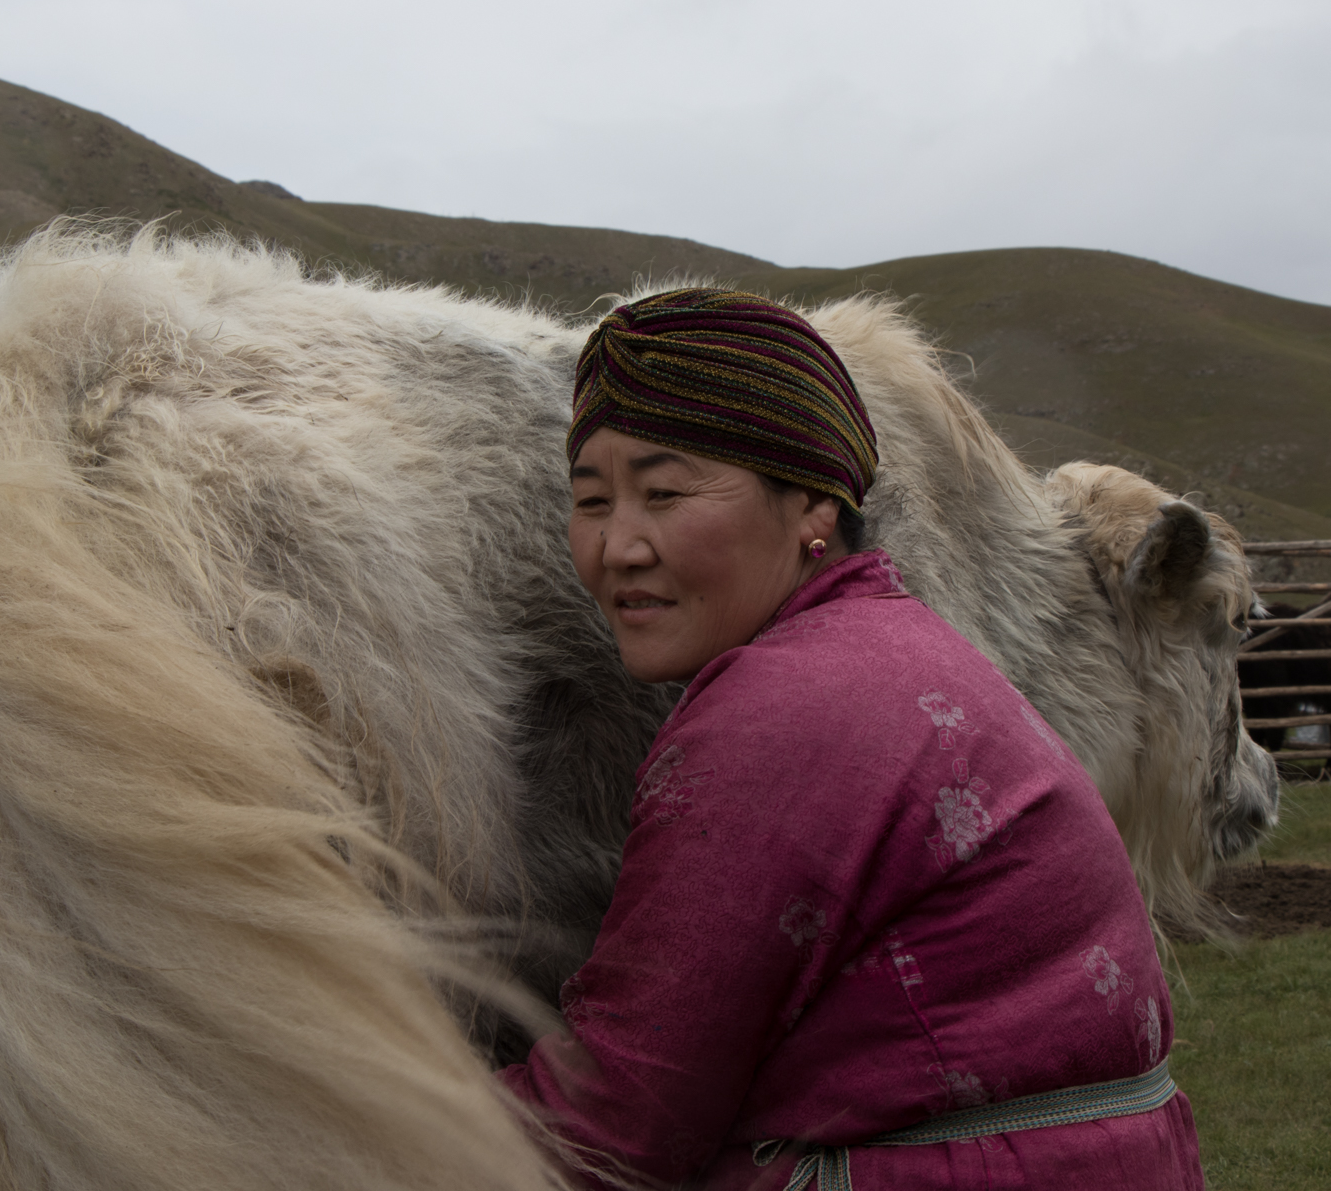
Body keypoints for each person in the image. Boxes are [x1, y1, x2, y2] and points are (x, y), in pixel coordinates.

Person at [499, 287, 1205, 1189]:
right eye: (591, 501)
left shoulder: (786, 709)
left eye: (666, 493)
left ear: (814, 510)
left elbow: (619, 1116)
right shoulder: (891, 648)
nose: (617, 547)